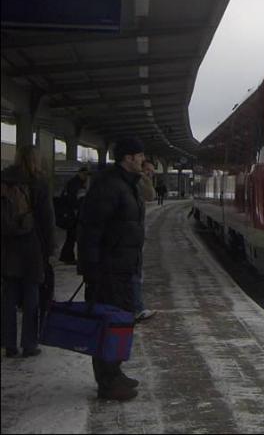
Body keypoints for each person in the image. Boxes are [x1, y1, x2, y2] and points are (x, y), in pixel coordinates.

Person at [77, 137, 146, 401]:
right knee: (108, 323)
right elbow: (91, 230)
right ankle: (107, 382)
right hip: (108, 270)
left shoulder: (126, 184)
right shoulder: (109, 186)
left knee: (120, 323)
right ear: (128, 158)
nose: (143, 160)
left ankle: (114, 372)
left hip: (123, 268)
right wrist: (91, 269)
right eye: (140, 155)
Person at [1, 145, 56, 358]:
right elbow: (47, 218)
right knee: (32, 295)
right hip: (33, 245)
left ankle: (8, 344)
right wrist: (49, 247)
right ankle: (29, 344)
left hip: (7, 245)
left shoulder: (4, 179)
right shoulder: (38, 182)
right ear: (36, 159)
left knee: (8, 296)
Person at [133, 161, 157, 323]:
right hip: (128, 237)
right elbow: (150, 195)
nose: (149, 173)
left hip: (134, 234)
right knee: (134, 273)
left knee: (134, 273)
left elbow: (150, 196)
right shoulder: (135, 181)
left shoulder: (137, 181)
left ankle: (136, 307)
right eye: (147, 170)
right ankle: (137, 308)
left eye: (152, 172)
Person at [58, 166, 89, 264]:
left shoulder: (74, 182)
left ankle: (67, 256)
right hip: (72, 213)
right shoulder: (76, 184)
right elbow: (74, 199)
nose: (86, 177)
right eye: (84, 174)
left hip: (70, 213)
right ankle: (67, 256)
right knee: (72, 236)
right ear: (80, 173)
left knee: (71, 236)